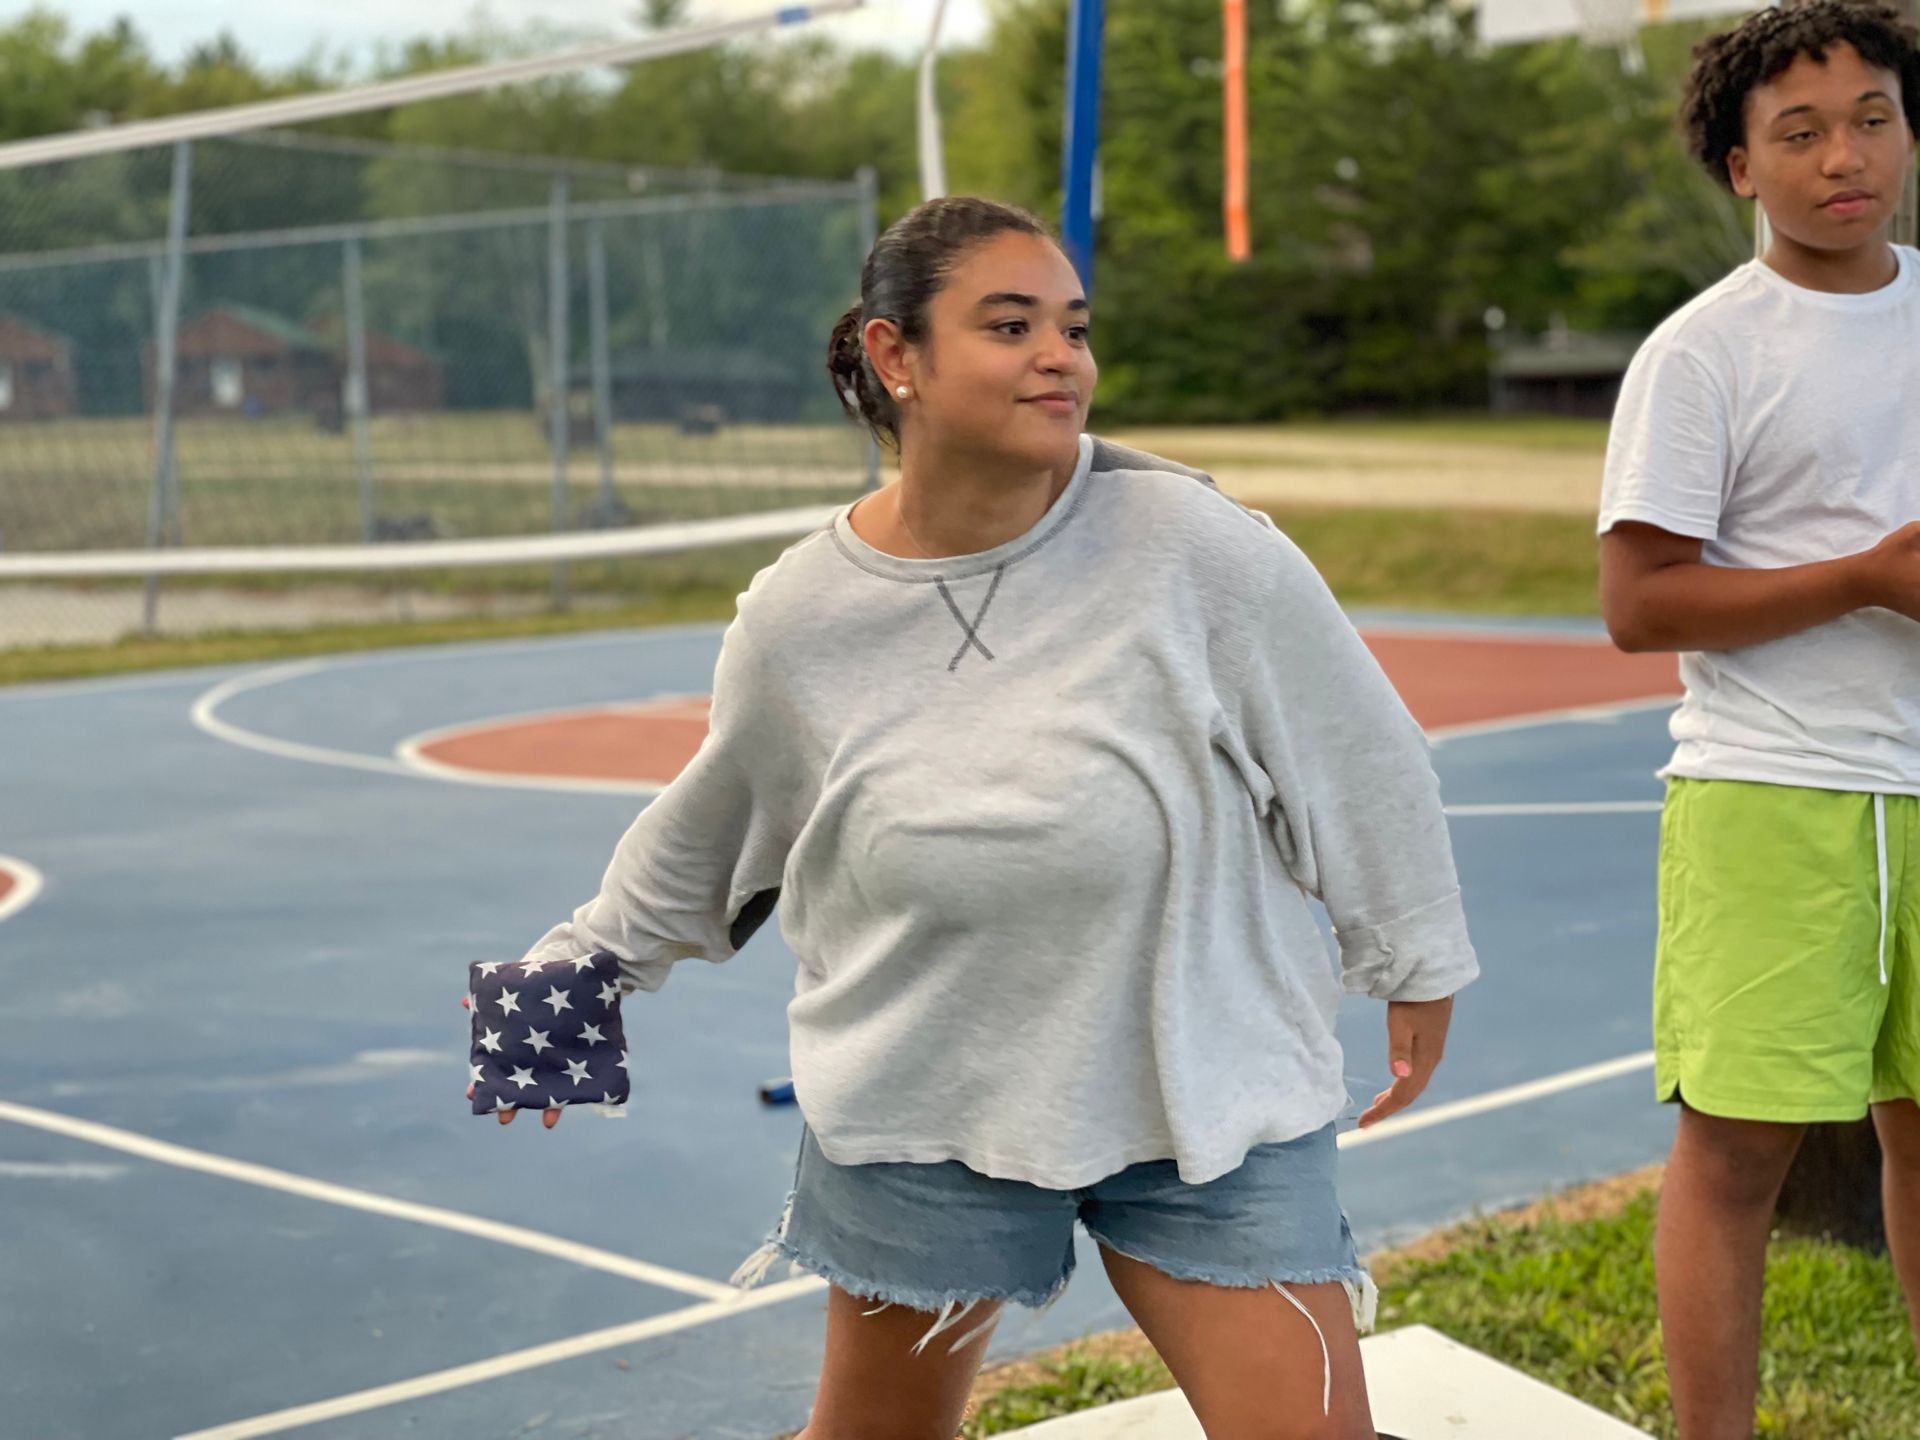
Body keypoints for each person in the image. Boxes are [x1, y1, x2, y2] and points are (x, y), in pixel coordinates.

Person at [475, 195, 1476, 1440]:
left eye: (1074, 326)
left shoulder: (1200, 549)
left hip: (1206, 1090)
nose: (1062, 357)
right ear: (897, 357)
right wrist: (581, 973)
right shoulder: (801, 617)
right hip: (928, 1098)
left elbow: (1363, 755)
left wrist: (1414, 955)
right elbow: (715, 823)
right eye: (1011, 326)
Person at [1596, 5, 1920, 1435]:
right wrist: (1864, 581)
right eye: (1801, 132)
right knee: (1739, 1156)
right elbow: (1639, 600)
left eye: (1873, 118)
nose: (1845, 154)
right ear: (1742, 168)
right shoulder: (1703, 354)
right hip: (1777, 794)